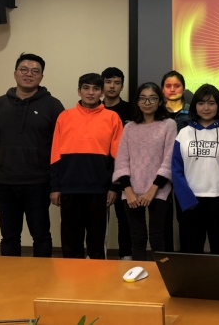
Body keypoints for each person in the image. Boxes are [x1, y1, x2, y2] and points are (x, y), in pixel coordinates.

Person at [0, 53, 65, 257]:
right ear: (15, 73)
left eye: (35, 71)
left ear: (41, 77)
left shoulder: (53, 105)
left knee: (41, 235)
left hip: (38, 182)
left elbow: (60, 142)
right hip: (5, 181)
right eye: (24, 69)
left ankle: (42, 275)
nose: (29, 74)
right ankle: (9, 276)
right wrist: (10, 154)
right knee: (9, 236)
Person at [50, 73, 123, 259]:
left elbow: (119, 157)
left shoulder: (112, 118)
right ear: (79, 91)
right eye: (86, 88)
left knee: (96, 245)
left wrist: (114, 187)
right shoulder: (64, 117)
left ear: (102, 93)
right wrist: (55, 187)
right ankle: (71, 277)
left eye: (96, 89)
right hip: (69, 188)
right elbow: (55, 154)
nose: (91, 92)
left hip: (99, 190)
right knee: (70, 243)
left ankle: (97, 277)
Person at [112, 82, 176, 261]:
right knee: (137, 238)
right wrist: (128, 190)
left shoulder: (168, 125)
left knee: (158, 237)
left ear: (160, 101)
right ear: (137, 102)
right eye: (143, 98)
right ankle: (139, 274)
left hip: (159, 189)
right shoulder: (129, 127)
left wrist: (153, 189)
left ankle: (162, 275)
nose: (147, 102)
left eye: (153, 98)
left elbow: (169, 159)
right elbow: (122, 160)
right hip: (131, 191)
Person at [172, 84, 219, 255]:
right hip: (190, 201)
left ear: (218, 105)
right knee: (191, 252)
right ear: (194, 106)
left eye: (211, 103)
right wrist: (186, 199)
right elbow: (176, 169)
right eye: (201, 103)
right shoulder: (184, 133)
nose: (206, 108)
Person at [101, 67, 134, 261]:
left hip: (125, 173)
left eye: (117, 82)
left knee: (125, 219)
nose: (112, 86)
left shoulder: (132, 110)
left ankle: (126, 256)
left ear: (122, 86)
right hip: (100, 171)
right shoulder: (94, 108)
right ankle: (98, 257)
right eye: (108, 82)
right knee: (98, 220)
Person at [160, 70, 191, 251]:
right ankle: (166, 257)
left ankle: (186, 257)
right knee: (163, 217)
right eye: (168, 86)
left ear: (183, 88)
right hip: (161, 170)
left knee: (185, 216)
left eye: (177, 86)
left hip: (185, 171)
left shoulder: (193, 112)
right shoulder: (157, 113)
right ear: (162, 89)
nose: (172, 90)